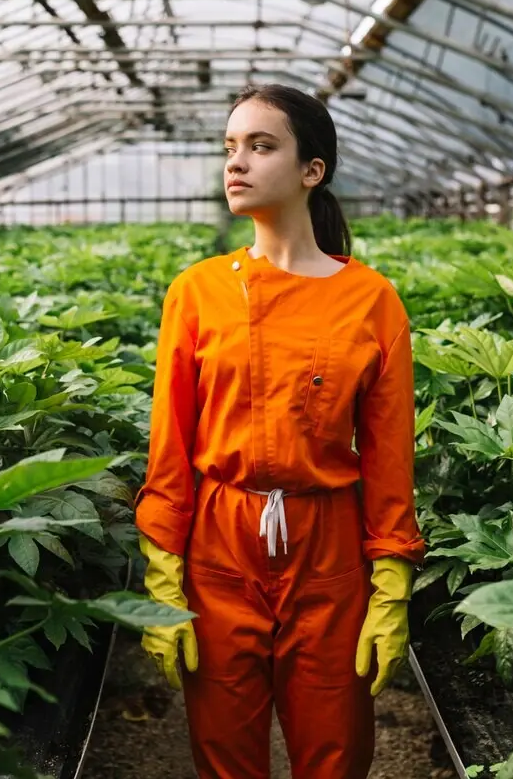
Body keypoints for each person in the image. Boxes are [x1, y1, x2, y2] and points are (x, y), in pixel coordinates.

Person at [133, 83, 425, 778]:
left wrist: (389, 583)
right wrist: (163, 568)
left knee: (336, 752)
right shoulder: (196, 291)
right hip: (218, 543)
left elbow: (389, 456)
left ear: (311, 170)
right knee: (223, 752)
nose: (236, 163)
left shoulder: (371, 300)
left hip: (328, 552)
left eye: (261, 146)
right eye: (231, 147)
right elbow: (169, 443)